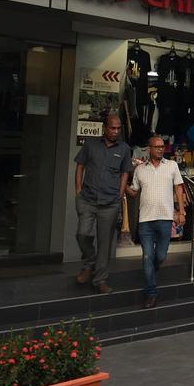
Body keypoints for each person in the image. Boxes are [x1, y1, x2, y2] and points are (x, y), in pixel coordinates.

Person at [74, 111, 133, 294]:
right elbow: (80, 165)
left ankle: (100, 279)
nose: (115, 131)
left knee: (105, 242)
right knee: (83, 234)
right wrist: (78, 190)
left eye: (118, 129)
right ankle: (89, 263)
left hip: (110, 202)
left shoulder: (124, 148)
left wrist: (120, 192)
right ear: (104, 128)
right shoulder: (91, 145)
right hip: (88, 199)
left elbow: (125, 172)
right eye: (112, 128)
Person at [126, 136, 186, 308]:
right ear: (149, 149)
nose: (161, 149)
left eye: (162, 146)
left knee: (160, 256)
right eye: (157, 147)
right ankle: (151, 293)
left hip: (166, 219)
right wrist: (122, 185)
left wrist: (181, 211)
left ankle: (150, 271)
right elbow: (134, 192)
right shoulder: (140, 170)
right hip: (145, 221)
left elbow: (178, 188)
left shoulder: (172, 166)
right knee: (147, 257)